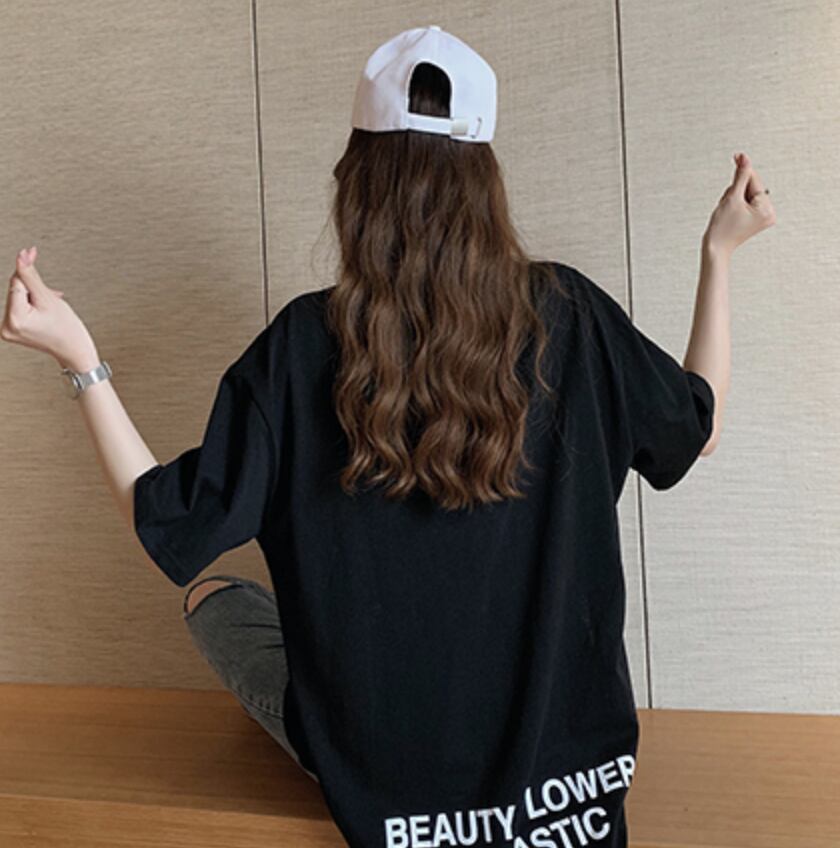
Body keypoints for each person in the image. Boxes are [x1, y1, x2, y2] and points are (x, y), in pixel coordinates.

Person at [2, 24, 775, 848]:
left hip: (387, 788)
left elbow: (166, 521)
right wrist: (718, 255)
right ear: (485, 183)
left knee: (216, 601)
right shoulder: (571, 315)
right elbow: (699, 425)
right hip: (567, 794)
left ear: (355, 185)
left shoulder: (300, 349)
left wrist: (80, 359)